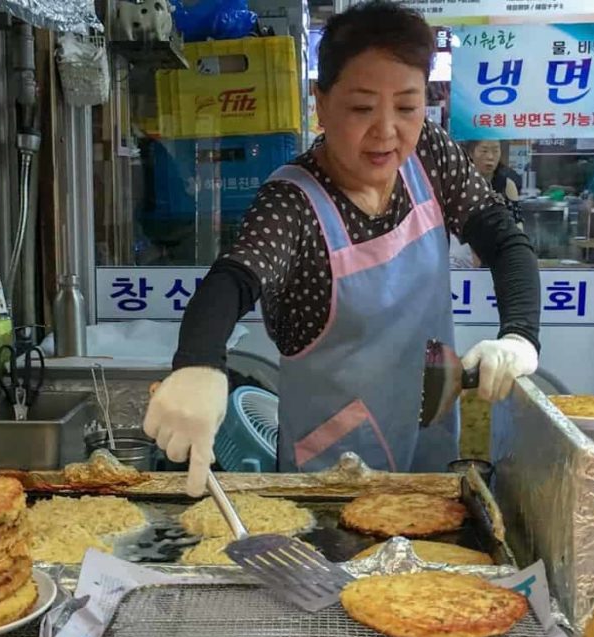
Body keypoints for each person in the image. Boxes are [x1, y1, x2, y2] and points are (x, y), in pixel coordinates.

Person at [144, 0, 541, 496]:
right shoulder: (293, 203)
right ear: (322, 102)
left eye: (407, 106)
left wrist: (520, 335)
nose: (387, 130)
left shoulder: (430, 156)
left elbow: (504, 239)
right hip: (331, 475)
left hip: (429, 436)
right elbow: (234, 278)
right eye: (361, 107)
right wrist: (199, 362)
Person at [465, 140, 523, 224]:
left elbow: (517, 222)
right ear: (471, 153)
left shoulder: (507, 185)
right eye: (484, 151)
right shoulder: (463, 182)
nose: (490, 157)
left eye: (495, 151)